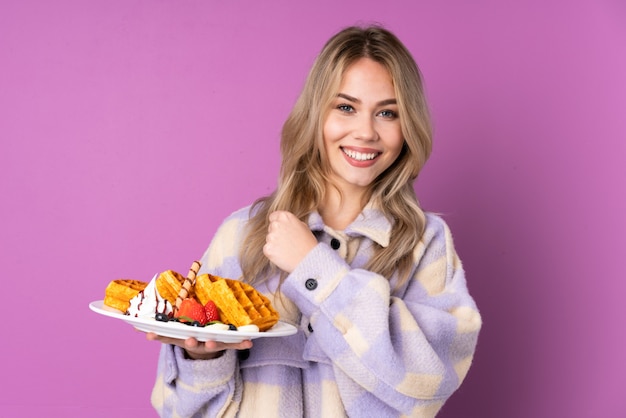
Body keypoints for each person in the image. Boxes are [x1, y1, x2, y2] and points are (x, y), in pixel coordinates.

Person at [147, 24, 481, 417]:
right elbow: (179, 410)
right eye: (346, 107)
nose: (366, 132)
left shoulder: (425, 243)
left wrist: (315, 269)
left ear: (408, 127)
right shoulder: (244, 234)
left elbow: (426, 384)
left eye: (387, 113)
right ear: (315, 115)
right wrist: (203, 360)